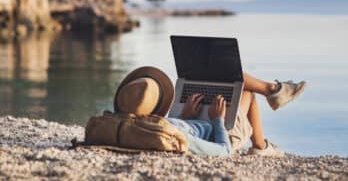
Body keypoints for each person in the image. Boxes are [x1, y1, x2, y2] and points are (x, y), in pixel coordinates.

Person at [114, 66, 307, 157]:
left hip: (193, 121)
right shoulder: (170, 134)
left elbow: (172, 127)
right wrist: (217, 120)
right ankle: (260, 146)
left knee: (227, 76)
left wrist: (184, 117)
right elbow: (222, 151)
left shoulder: (136, 127)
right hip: (220, 133)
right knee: (244, 88)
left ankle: (273, 91)